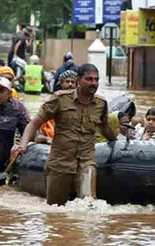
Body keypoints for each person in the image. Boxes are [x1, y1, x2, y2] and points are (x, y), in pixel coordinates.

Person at [11, 63, 117, 205]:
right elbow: (34, 123)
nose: (93, 83)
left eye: (96, 80)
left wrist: (119, 142)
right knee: (55, 207)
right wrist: (23, 145)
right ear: (78, 80)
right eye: (89, 79)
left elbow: (105, 128)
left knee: (89, 204)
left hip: (86, 160)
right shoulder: (60, 99)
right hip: (60, 161)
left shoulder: (101, 103)